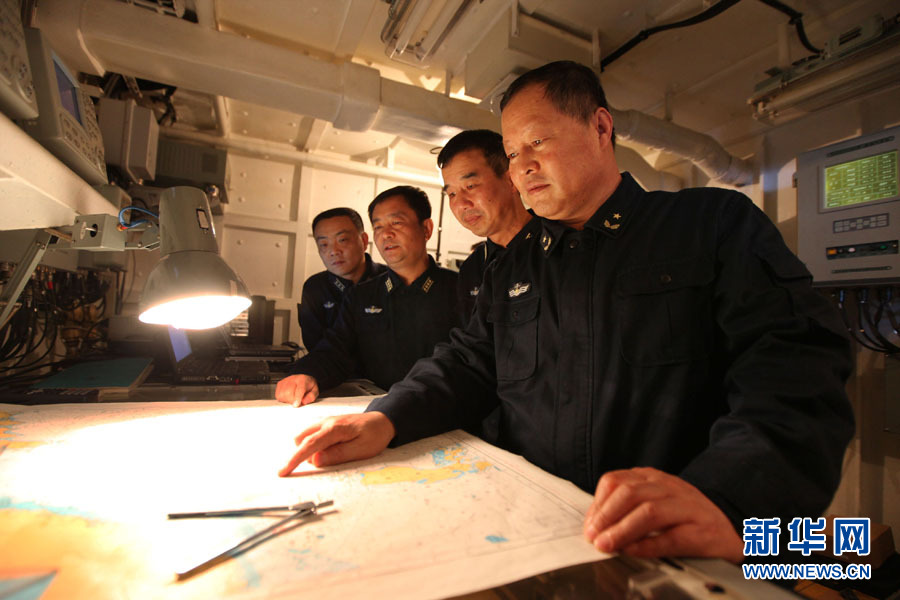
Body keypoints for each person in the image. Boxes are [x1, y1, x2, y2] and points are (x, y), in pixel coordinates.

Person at [277, 61, 854, 564]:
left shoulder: (709, 225)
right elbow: (471, 361)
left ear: (601, 127)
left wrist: (732, 497)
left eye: (538, 143)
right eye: (511, 154)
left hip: (674, 540)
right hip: (538, 534)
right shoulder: (516, 265)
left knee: (830, 561)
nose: (522, 167)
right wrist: (388, 416)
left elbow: (793, 367)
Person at [276, 186, 459, 406]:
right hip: (378, 409)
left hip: (443, 409)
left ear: (426, 229)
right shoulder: (362, 295)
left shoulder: (460, 289)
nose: (385, 234)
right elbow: (335, 350)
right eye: (378, 226)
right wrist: (306, 373)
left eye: (396, 223)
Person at [438, 129, 536, 324]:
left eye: (471, 186)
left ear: (511, 180)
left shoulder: (557, 245)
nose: (460, 204)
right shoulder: (473, 268)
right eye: (452, 194)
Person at [298, 207, 387, 351]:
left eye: (342, 240)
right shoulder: (314, 288)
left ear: (364, 241)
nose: (333, 251)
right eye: (324, 245)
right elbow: (315, 345)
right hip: (332, 371)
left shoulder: (390, 279)